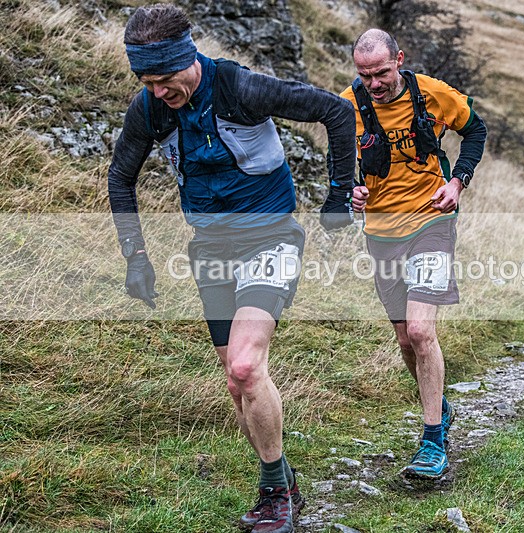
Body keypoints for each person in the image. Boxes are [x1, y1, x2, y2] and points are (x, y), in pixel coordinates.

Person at [108, 5, 355, 532]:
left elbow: (336, 111)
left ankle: (274, 495)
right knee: (236, 382)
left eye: (165, 79)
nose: (158, 91)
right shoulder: (150, 109)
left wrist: (338, 196)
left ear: (188, 57)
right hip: (211, 250)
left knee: (245, 366)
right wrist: (135, 256)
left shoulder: (240, 88)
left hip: (270, 238)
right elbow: (120, 177)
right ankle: (284, 481)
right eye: (146, 82)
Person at [341, 29, 486, 480]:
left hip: (431, 223)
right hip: (381, 233)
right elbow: (339, 163)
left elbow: (476, 130)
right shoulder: (347, 106)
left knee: (422, 331)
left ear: (399, 60)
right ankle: (438, 405)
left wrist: (457, 181)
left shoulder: (432, 94)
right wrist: (350, 190)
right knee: (405, 340)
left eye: (382, 73)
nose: (374, 84)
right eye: (365, 75)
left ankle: (432, 440)